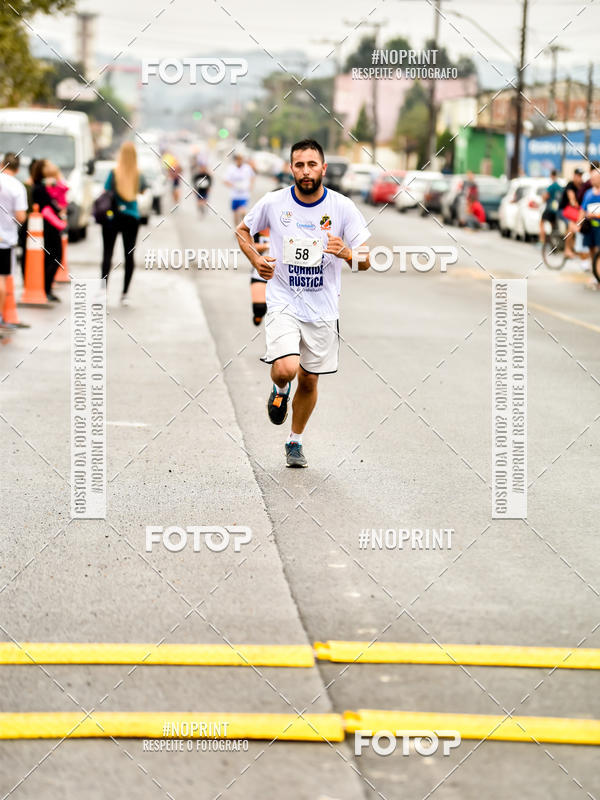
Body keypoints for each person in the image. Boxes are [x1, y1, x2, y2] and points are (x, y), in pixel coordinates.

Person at [236, 138, 371, 468]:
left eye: (312, 164)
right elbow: (242, 231)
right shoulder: (274, 202)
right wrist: (256, 260)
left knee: (310, 379)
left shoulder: (341, 207)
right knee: (287, 367)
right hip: (283, 299)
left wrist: (347, 253)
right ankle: (280, 389)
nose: (306, 171)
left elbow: (366, 259)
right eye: (299, 165)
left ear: (323, 168)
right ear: (291, 169)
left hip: (323, 308)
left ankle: (294, 441)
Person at [100, 141, 147, 305]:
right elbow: (142, 190)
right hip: (131, 217)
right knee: (129, 255)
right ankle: (125, 294)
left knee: (107, 254)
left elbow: (105, 191)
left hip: (113, 217)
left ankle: (103, 291)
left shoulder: (114, 172)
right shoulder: (138, 174)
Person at [31, 159, 67, 302]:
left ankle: (47, 287)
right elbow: (51, 205)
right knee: (54, 257)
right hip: (47, 226)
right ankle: (46, 288)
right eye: (47, 165)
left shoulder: (47, 184)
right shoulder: (40, 188)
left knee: (54, 257)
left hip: (51, 225)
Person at [0, 153, 27, 327]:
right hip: (4, 239)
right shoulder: (17, 187)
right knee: (1, 279)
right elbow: (21, 216)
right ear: (17, 169)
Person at [580, 166, 600, 288]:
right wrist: (579, 223)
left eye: (594, 178)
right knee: (592, 251)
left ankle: (598, 276)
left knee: (599, 252)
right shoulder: (588, 193)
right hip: (590, 228)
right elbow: (582, 210)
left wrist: (595, 215)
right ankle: (595, 275)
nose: (592, 180)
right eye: (591, 178)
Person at [558, 168, 583, 259]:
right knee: (571, 226)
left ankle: (574, 247)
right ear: (574, 176)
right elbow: (572, 201)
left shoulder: (581, 186)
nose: (579, 178)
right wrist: (580, 207)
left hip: (573, 212)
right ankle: (567, 250)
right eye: (578, 176)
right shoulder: (570, 185)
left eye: (580, 176)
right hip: (563, 211)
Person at [225, 153, 255, 227]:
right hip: (234, 195)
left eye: (241, 159)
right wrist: (233, 185)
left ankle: (244, 226)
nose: (239, 161)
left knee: (242, 211)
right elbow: (225, 180)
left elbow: (252, 177)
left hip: (244, 195)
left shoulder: (247, 168)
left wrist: (251, 185)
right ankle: (237, 228)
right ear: (235, 160)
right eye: (238, 159)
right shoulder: (231, 169)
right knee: (235, 214)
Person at [249, 228, 269, 325]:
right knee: (259, 309)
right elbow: (250, 246)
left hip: (284, 275)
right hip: (261, 272)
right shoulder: (259, 227)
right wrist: (268, 246)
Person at [539, 169, 562, 244]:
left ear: (551, 175)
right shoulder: (559, 187)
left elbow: (546, 196)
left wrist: (543, 199)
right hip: (556, 209)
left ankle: (542, 241)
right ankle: (553, 242)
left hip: (549, 208)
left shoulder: (552, 186)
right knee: (553, 225)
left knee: (542, 223)